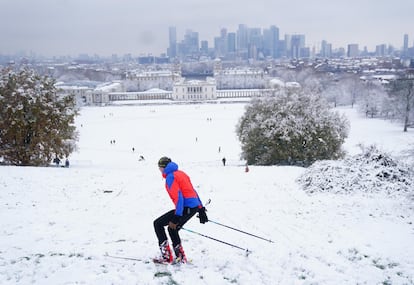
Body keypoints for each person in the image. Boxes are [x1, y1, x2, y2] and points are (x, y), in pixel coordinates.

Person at [153, 156, 208, 264]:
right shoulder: (182, 173)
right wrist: (200, 209)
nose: (159, 170)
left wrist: (176, 216)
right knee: (172, 229)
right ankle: (180, 256)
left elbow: (178, 197)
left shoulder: (170, 177)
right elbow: (193, 191)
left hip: (185, 207)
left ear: (163, 167)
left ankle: (167, 256)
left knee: (158, 224)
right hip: (192, 206)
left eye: (159, 168)